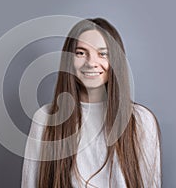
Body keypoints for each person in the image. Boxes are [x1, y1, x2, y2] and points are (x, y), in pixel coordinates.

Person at [21, 18, 162, 188]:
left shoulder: (141, 120)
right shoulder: (44, 119)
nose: (91, 63)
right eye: (81, 53)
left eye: (103, 53)